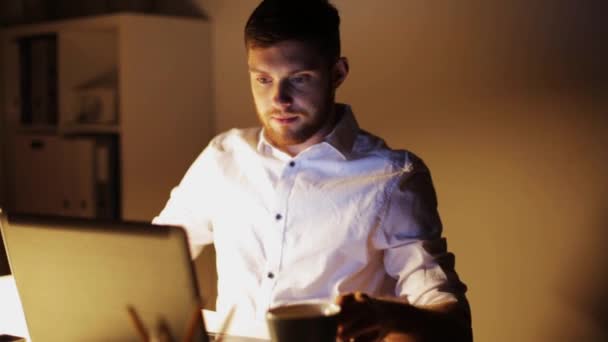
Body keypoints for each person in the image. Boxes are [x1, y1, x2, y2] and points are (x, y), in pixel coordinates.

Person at [154, 0, 472, 340]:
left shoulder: (393, 177)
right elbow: (152, 260)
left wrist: (386, 315)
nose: (279, 99)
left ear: (337, 73)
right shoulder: (223, 157)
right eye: (263, 79)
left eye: (299, 79)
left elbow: (452, 323)